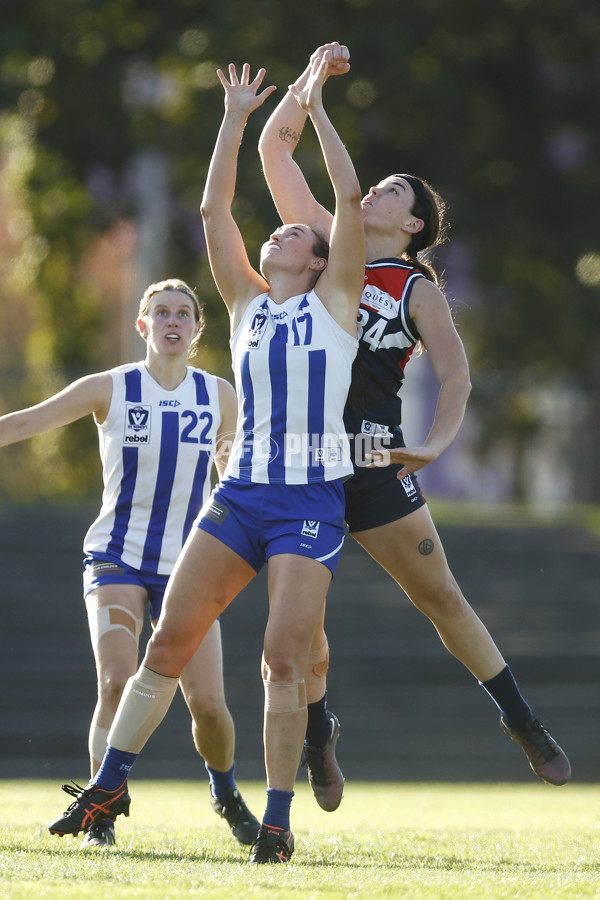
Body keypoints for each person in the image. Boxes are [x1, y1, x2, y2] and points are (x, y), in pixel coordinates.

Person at [47, 54, 365, 865]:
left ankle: (280, 816)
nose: (284, 227)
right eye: (284, 226)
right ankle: (108, 786)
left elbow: (349, 203)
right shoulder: (249, 304)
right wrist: (235, 119)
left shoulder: (336, 304)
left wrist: (318, 106)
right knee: (166, 651)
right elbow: (211, 207)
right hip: (240, 497)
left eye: (298, 230)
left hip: (308, 502)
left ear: (321, 259)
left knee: (283, 660)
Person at [257, 42, 571, 790]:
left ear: (417, 222)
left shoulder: (416, 289)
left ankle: (522, 721)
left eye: (394, 190)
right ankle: (320, 730)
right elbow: (274, 147)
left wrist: (434, 444)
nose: (376, 193)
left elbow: (457, 375)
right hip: (304, 458)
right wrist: (306, 81)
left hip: (372, 459)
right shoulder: (332, 246)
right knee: (304, 630)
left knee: (443, 598)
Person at [0, 278, 260, 847]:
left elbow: (238, 476)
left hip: (190, 567)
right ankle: (102, 815)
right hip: (116, 558)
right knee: (116, 681)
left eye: (183, 314)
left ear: (196, 329)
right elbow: (22, 424)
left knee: (210, 707)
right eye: (161, 312)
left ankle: (226, 791)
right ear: (142, 326)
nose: (172, 321)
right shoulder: (110, 389)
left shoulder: (219, 397)